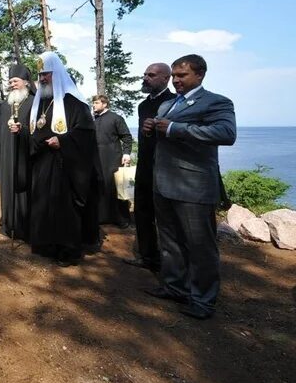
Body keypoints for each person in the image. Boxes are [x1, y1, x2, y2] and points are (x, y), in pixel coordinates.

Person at [141, 54, 236, 320]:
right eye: (173, 76)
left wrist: (174, 128)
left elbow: (226, 134)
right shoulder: (166, 105)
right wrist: (151, 128)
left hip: (194, 186)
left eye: (182, 76)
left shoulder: (216, 102)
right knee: (170, 241)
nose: (176, 81)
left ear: (200, 75)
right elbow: (162, 135)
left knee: (200, 246)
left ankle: (203, 300)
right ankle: (175, 287)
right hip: (163, 183)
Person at [28, 51, 96, 266]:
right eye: (40, 75)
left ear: (56, 73)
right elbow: (36, 129)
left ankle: (67, 250)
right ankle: (46, 244)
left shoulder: (75, 103)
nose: (42, 79)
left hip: (65, 166)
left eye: (46, 74)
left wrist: (63, 141)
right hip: (42, 164)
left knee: (63, 208)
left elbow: (86, 134)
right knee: (43, 205)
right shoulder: (41, 102)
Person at [123, 63, 174, 272]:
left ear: (165, 79)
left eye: (151, 75)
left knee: (166, 217)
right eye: (145, 74)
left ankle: (171, 263)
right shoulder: (143, 106)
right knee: (143, 212)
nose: (145, 78)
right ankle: (148, 256)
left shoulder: (174, 103)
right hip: (144, 165)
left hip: (166, 168)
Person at [0, 64, 34, 241]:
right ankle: (9, 222)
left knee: (24, 190)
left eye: (15, 81)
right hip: (7, 156)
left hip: (25, 156)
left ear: (26, 82)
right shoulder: (5, 106)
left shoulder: (33, 103)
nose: (12, 84)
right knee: (7, 188)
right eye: (10, 81)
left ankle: (24, 225)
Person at [92, 95, 133, 228]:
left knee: (115, 187)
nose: (94, 105)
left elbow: (126, 137)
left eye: (97, 103)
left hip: (113, 158)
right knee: (100, 186)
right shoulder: (94, 119)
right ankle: (101, 217)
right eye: (93, 103)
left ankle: (120, 218)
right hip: (97, 158)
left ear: (104, 104)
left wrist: (126, 153)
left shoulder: (115, 118)